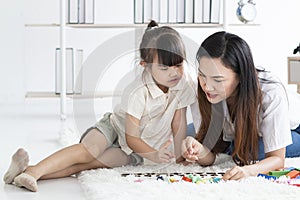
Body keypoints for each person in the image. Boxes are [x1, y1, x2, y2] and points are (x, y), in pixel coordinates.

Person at [3, 20, 196, 192]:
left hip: (135, 151)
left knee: (86, 165)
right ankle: (35, 171)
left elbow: (178, 122)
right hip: (116, 130)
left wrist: (179, 157)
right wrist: (153, 154)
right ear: (145, 65)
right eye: (164, 68)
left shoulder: (182, 85)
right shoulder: (138, 91)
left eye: (178, 65)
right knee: (88, 152)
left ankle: (22, 173)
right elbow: (130, 136)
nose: (174, 73)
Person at [181, 31, 300, 180]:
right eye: (202, 75)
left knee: (247, 152)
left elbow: (277, 159)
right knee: (187, 136)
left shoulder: (270, 93)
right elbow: (210, 156)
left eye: (218, 80)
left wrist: (250, 171)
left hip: (292, 126)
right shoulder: (201, 89)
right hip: (235, 130)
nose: (207, 87)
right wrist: (198, 149)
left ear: (240, 77)